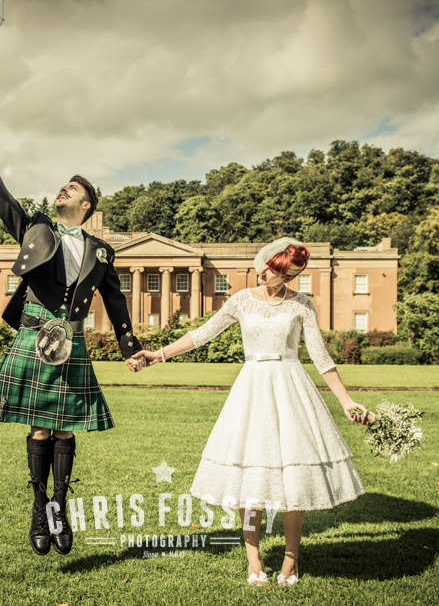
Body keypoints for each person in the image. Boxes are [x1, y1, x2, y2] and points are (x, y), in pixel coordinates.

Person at [133, 238, 369, 586]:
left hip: (291, 388)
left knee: (294, 475)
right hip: (252, 388)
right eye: (264, 265)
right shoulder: (241, 300)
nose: (263, 272)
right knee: (250, 479)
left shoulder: (302, 305)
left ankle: (291, 559)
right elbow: (202, 334)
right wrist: (159, 354)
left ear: (287, 275)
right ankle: (253, 558)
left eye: (273, 270)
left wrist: (347, 401)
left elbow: (320, 357)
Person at [0, 124, 146, 557]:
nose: (62, 191)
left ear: (86, 205)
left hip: (71, 336)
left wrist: (130, 346)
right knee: (41, 427)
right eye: (62, 187)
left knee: (64, 428)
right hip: (34, 332)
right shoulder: (37, 228)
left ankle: (58, 507)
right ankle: (37, 509)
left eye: (72, 188)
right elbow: (2, 202)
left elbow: (116, 302)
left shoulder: (102, 250)